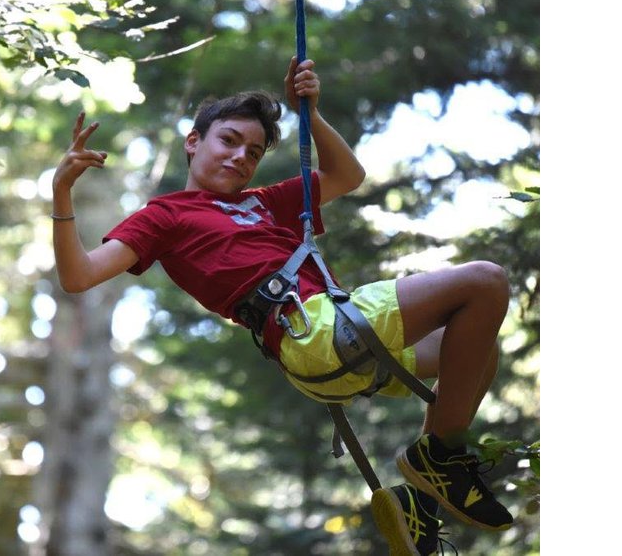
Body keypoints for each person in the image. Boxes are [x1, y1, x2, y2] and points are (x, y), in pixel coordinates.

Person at [49, 56, 513, 555]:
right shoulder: (164, 216)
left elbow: (347, 174)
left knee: (477, 349)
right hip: (315, 334)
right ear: (193, 141)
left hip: (339, 338)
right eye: (228, 140)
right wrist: (61, 192)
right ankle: (440, 458)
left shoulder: (263, 202)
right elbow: (79, 276)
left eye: (252, 152)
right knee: (486, 281)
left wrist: (307, 112)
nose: (239, 158)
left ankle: (423, 499)